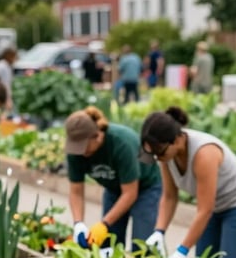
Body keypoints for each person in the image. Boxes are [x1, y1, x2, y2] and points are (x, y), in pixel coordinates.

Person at [140, 106, 236, 258]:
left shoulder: (204, 154)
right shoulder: (165, 156)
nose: (157, 159)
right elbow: (169, 197)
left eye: (159, 153)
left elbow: (205, 209)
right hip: (213, 207)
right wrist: (159, 231)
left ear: (176, 140)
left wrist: (182, 250)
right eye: (153, 155)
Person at [64, 106, 162, 249]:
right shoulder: (75, 152)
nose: (80, 151)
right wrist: (78, 223)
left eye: (83, 146)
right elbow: (76, 191)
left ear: (97, 136)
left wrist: (104, 224)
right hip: (114, 188)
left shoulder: (121, 143)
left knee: (141, 245)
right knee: (108, 243)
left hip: (146, 187)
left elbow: (130, 193)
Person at [0, 46, 18, 113]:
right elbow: (6, 84)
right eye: (14, 57)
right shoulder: (4, 66)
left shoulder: (0, 64)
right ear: (9, 56)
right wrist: (8, 99)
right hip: (0, 94)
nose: (15, 59)